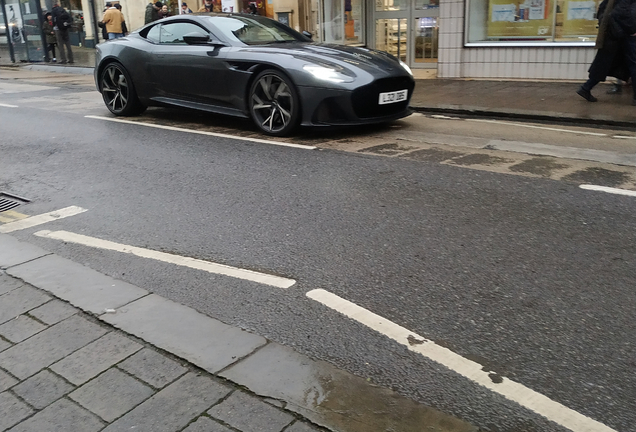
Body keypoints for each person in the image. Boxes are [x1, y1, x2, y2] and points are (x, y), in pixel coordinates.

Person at [577, 0, 635, 104]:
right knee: (631, 64)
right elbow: (619, 13)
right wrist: (632, 30)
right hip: (620, 36)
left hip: (614, 36)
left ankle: (586, 88)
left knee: (604, 64)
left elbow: (604, 11)